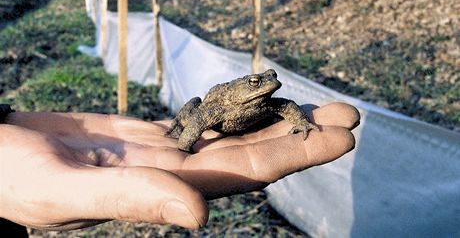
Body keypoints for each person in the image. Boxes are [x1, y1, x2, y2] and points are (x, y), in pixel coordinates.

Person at [0, 102, 359, 232]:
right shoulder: (225, 103)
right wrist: (184, 139)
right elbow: (203, 113)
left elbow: (284, 105)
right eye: (257, 84)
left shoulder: (268, 100)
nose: (268, 87)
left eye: (268, 81)